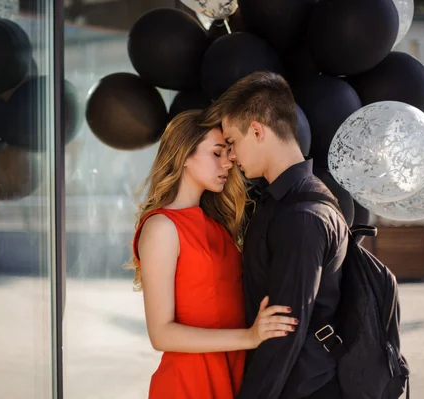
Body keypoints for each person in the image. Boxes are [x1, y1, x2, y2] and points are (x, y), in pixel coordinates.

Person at [127, 109, 299, 399]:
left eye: (228, 153)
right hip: (189, 383)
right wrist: (249, 337)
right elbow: (161, 334)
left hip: (234, 373)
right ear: (184, 156)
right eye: (217, 153)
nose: (228, 163)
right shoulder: (162, 227)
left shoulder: (218, 225)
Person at [202, 71, 349, 399]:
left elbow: (285, 333)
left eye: (232, 143)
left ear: (256, 130)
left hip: (301, 389)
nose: (232, 156)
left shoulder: (301, 216)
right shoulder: (286, 202)